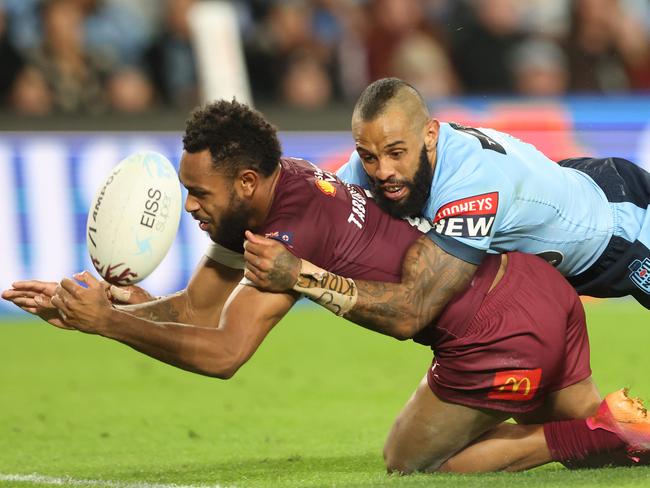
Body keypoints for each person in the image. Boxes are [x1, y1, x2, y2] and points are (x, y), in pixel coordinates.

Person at [2, 100, 649, 473]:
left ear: (246, 183)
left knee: (412, 463)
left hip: (493, 332)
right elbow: (199, 311)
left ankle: (596, 431)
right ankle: (611, 430)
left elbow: (224, 351)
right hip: (536, 292)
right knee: (607, 443)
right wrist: (107, 302)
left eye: (199, 193)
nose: (190, 207)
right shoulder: (280, 189)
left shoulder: (290, 231)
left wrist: (109, 325)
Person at [333, 77, 650, 310]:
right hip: (572, 195)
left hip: (620, 227)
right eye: (369, 157)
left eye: (396, 153)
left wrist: (308, 279)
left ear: (430, 134)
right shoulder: (374, 162)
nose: (383, 170)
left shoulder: (471, 184)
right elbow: (314, 220)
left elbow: (417, 308)